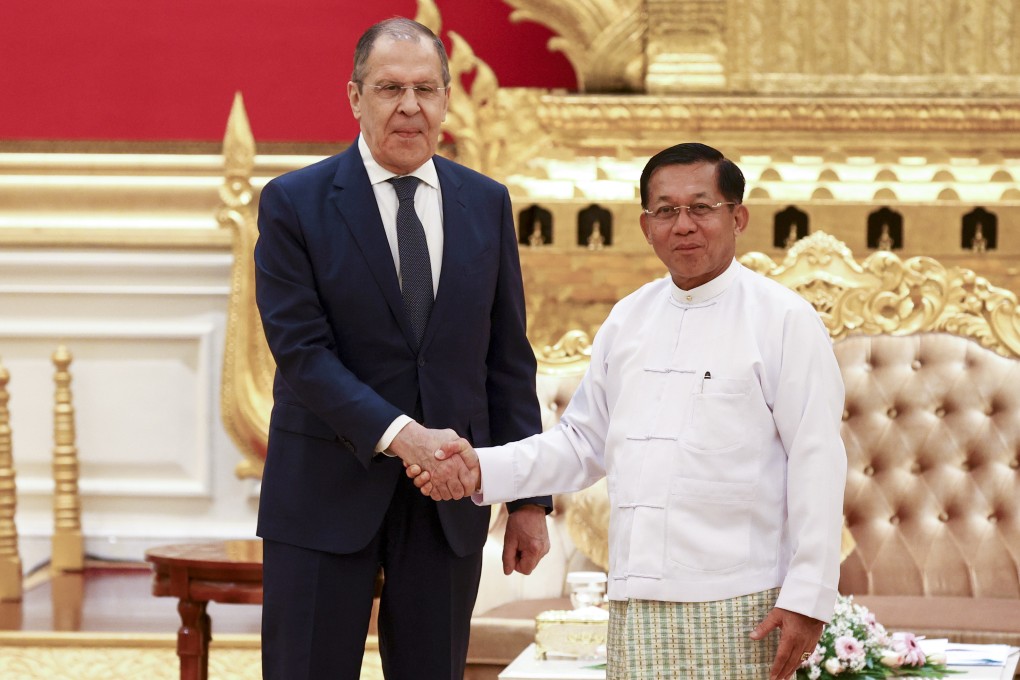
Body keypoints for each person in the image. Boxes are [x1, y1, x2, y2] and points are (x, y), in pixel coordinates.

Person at [411, 143, 847, 680]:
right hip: (636, 600)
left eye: (701, 207)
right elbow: (583, 444)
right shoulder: (628, 319)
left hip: (745, 602)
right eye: (666, 210)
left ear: (738, 217)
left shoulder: (785, 320)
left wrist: (808, 597)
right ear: (646, 226)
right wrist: (481, 466)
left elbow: (818, 460)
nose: (683, 224)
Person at [253, 17, 552, 680]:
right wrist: (400, 434)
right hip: (323, 495)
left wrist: (528, 500)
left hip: (445, 506)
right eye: (390, 88)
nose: (410, 106)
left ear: (448, 99)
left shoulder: (487, 203)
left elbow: (507, 359)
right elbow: (302, 353)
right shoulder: (294, 203)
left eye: (425, 89)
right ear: (356, 98)